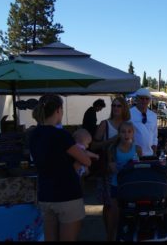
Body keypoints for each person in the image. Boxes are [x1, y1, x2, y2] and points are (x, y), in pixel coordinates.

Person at [29, 94, 93, 241]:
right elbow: (86, 161)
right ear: (58, 110)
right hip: (67, 195)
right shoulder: (61, 135)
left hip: (45, 194)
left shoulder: (33, 135)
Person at [91, 96, 130, 241]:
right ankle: (110, 235)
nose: (116, 108)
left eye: (119, 106)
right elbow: (93, 146)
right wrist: (111, 141)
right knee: (109, 205)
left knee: (122, 205)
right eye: (114, 106)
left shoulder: (128, 125)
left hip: (125, 172)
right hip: (108, 170)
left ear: (124, 108)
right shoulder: (105, 124)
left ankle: (118, 234)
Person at [107, 121, 142, 241]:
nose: (126, 134)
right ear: (119, 134)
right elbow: (111, 168)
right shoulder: (113, 149)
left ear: (133, 133)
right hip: (117, 186)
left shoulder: (137, 149)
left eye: (129, 131)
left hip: (132, 187)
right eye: (123, 132)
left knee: (133, 216)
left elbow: (139, 169)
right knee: (114, 217)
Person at [130, 88, 158, 157]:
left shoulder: (153, 116)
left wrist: (154, 152)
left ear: (149, 100)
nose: (144, 101)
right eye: (142, 98)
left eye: (147, 98)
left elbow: (154, 135)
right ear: (136, 99)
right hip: (133, 155)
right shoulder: (129, 113)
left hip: (150, 155)